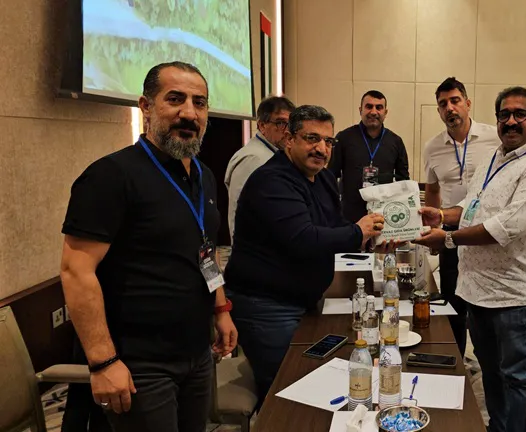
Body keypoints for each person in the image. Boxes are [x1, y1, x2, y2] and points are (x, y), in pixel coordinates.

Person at [60, 61, 237, 432]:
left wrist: (221, 309)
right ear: (145, 106)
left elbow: (204, 251)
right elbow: (76, 270)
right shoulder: (111, 176)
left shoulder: (203, 176)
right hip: (139, 364)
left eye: (199, 103)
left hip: (196, 353)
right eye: (175, 99)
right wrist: (103, 362)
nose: (189, 113)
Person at [414, 87, 526, 432]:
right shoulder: (495, 157)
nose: (510, 121)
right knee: (491, 372)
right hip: (477, 291)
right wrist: (442, 215)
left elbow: (506, 226)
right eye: (503, 115)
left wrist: (447, 238)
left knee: (518, 379)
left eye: (520, 114)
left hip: (513, 297)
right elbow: (471, 207)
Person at [224, 105, 389, 401]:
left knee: (308, 381)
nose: (321, 149)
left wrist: (370, 240)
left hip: (302, 299)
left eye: (328, 141)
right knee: (286, 391)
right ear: (289, 139)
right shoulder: (272, 181)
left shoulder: (322, 178)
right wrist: (358, 232)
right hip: (267, 307)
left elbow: (334, 226)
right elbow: (303, 238)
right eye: (312, 138)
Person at [422, 77, 501, 357]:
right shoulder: (432, 147)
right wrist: (432, 233)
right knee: (452, 301)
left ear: (467, 103)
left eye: (455, 101)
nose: (450, 108)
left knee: (483, 305)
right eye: (443, 104)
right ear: (438, 111)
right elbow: (432, 190)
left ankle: (486, 359)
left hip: (486, 231)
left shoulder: (495, 138)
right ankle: (455, 359)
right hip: (450, 231)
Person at [328, 90, 410, 222]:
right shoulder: (344, 138)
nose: (373, 112)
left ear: (385, 112)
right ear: (360, 110)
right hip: (350, 216)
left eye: (379, 107)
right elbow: (331, 175)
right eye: (369, 106)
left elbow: (403, 180)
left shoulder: (396, 141)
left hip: (384, 216)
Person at [225, 96, 295, 238]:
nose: (288, 131)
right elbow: (239, 215)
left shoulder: (275, 155)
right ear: (262, 126)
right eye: (281, 123)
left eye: (291, 125)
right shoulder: (253, 159)